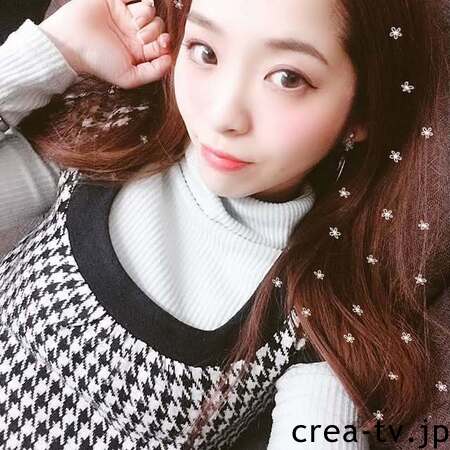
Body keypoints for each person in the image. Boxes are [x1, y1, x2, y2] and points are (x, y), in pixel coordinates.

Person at [0, 0, 448, 449]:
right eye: (205, 52)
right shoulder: (112, 138)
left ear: (361, 110)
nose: (222, 116)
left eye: (287, 78)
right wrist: (54, 49)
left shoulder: (318, 305)